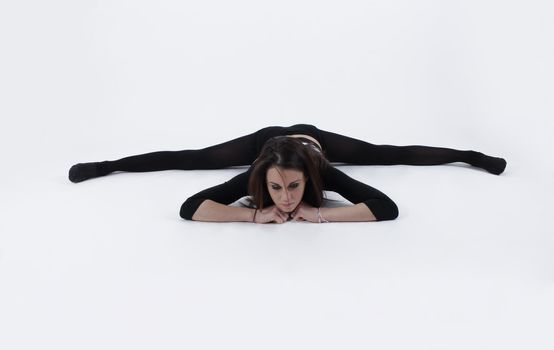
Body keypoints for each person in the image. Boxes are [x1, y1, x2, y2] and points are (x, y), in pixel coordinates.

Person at [68, 123, 507, 224]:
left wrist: (318, 214)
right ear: (262, 177)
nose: (284, 198)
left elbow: (386, 208)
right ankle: (106, 166)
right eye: (275, 188)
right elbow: (188, 208)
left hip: (310, 141)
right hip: (270, 139)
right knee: (195, 156)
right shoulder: (257, 176)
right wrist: (251, 215)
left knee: (386, 153)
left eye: (293, 188)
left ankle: (470, 154)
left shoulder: (321, 172)